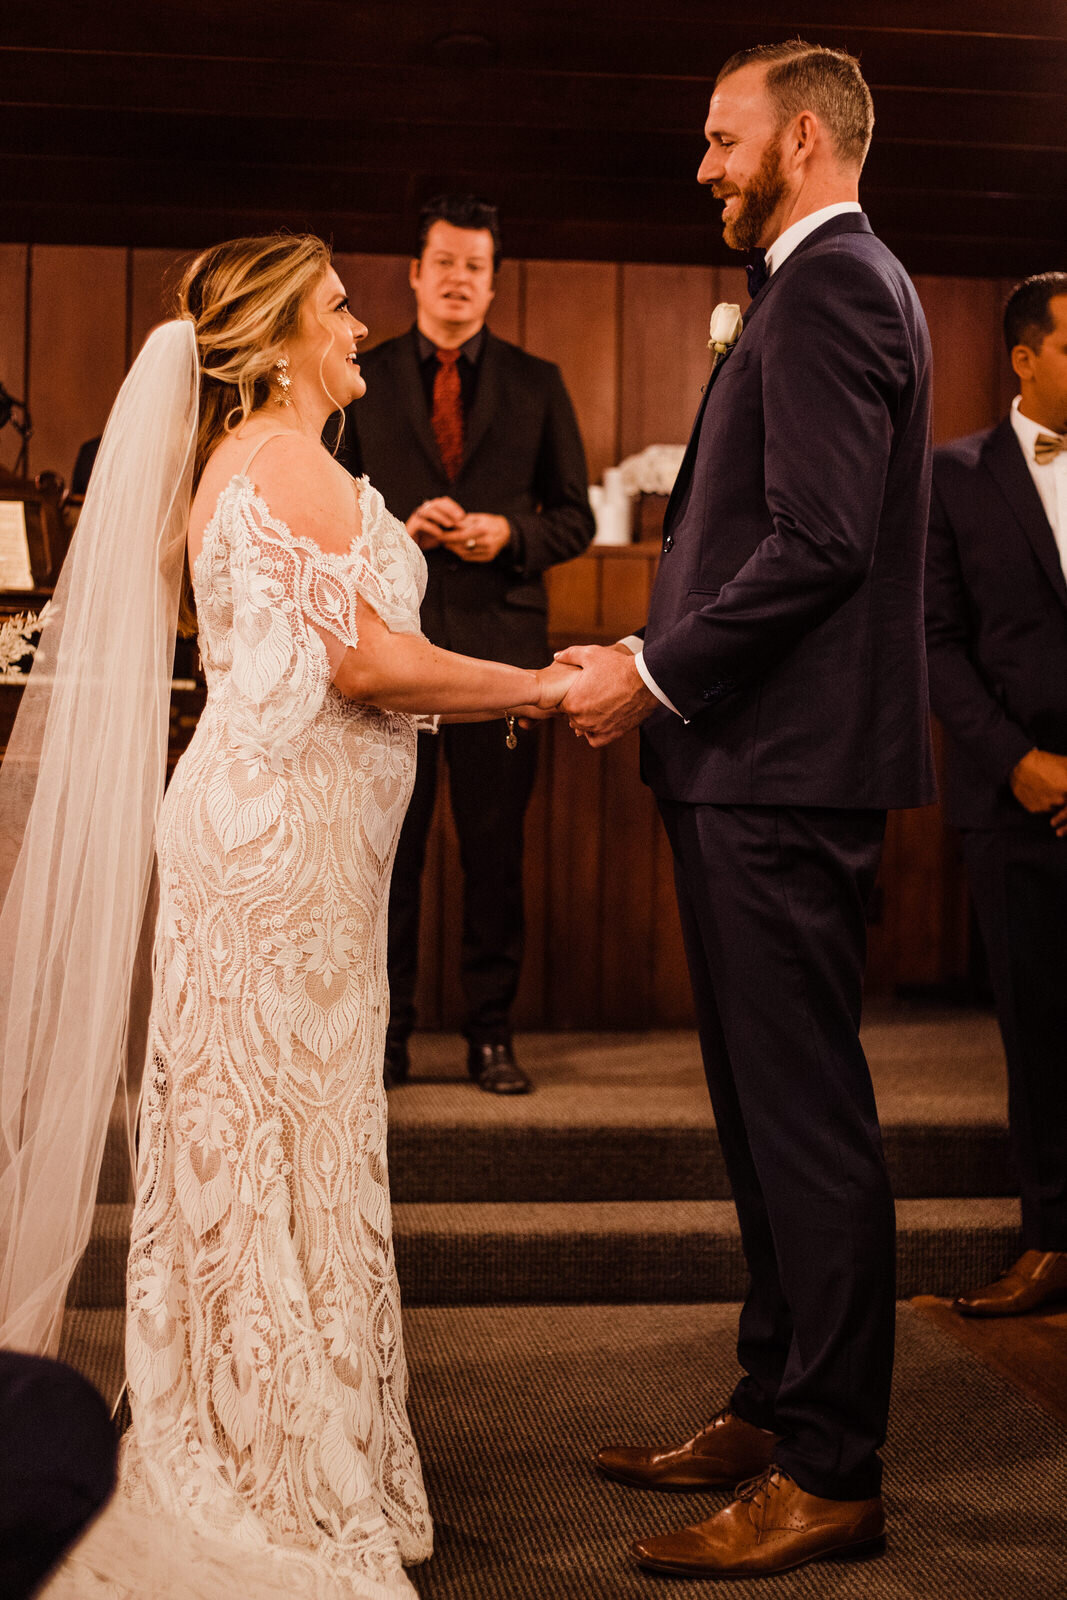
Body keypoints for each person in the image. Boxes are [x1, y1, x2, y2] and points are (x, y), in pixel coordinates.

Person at [0, 233, 577, 1598]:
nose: (358, 323)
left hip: (279, 844)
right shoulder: (282, 459)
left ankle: (255, 1417)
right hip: (274, 852)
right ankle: (264, 1454)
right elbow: (370, 665)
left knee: (266, 1135)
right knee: (262, 1138)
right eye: (333, 307)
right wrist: (543, 688)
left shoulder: (257, 463)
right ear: (270, 345)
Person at [556, 42, 934, 1579]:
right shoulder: (807, 285)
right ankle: (776, 1398)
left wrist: (647, 669)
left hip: (779, 776)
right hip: (749, 770)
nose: (700, 165)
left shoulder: (837, 283)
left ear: (793, 138)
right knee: (757, 1114)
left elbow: (820, 543)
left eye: (718, 139)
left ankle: (833, 1468)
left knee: (805, 1125)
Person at [334, 195, 594, 1095]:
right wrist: (394, 530)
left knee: (493, 854)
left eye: (475, 265)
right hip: (388, 653)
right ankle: (387, 1036)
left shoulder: (537, 381)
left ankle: (491, 1037)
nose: (457, 279)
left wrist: (504, 533)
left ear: (492, 278)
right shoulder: (359, 377)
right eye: (443, 262)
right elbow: (327, 508)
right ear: (414, 272)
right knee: (387, 853)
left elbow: (575, 517)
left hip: (497, 656)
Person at [926, 272, 1067, 1318]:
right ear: (1024, 358)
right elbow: (931, 642)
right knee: (1037, 1024)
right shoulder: (953, 477)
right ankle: (1049, 1239)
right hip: (1011, 794)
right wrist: (1019, 763)